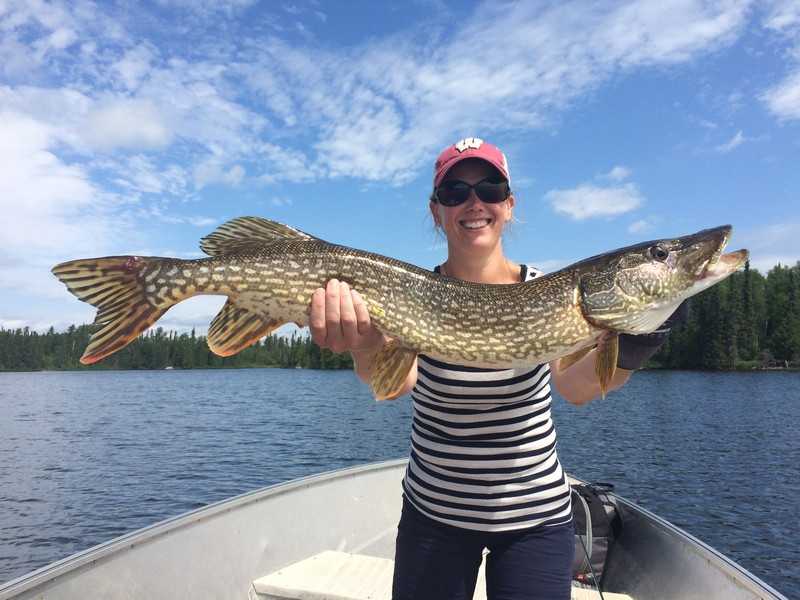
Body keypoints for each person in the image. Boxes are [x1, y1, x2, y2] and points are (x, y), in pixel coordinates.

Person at [309, 138, 683, 600]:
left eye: (490, 189)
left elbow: (576, 387)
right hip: (434, 515)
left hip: (535, 519)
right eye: (455, 193)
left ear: (509, 205)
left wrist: (641, 339)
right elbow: (396, 382)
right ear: (436, 212)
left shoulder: (550, 290)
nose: (474, 203)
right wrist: (365, 346)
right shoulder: (408, 292)